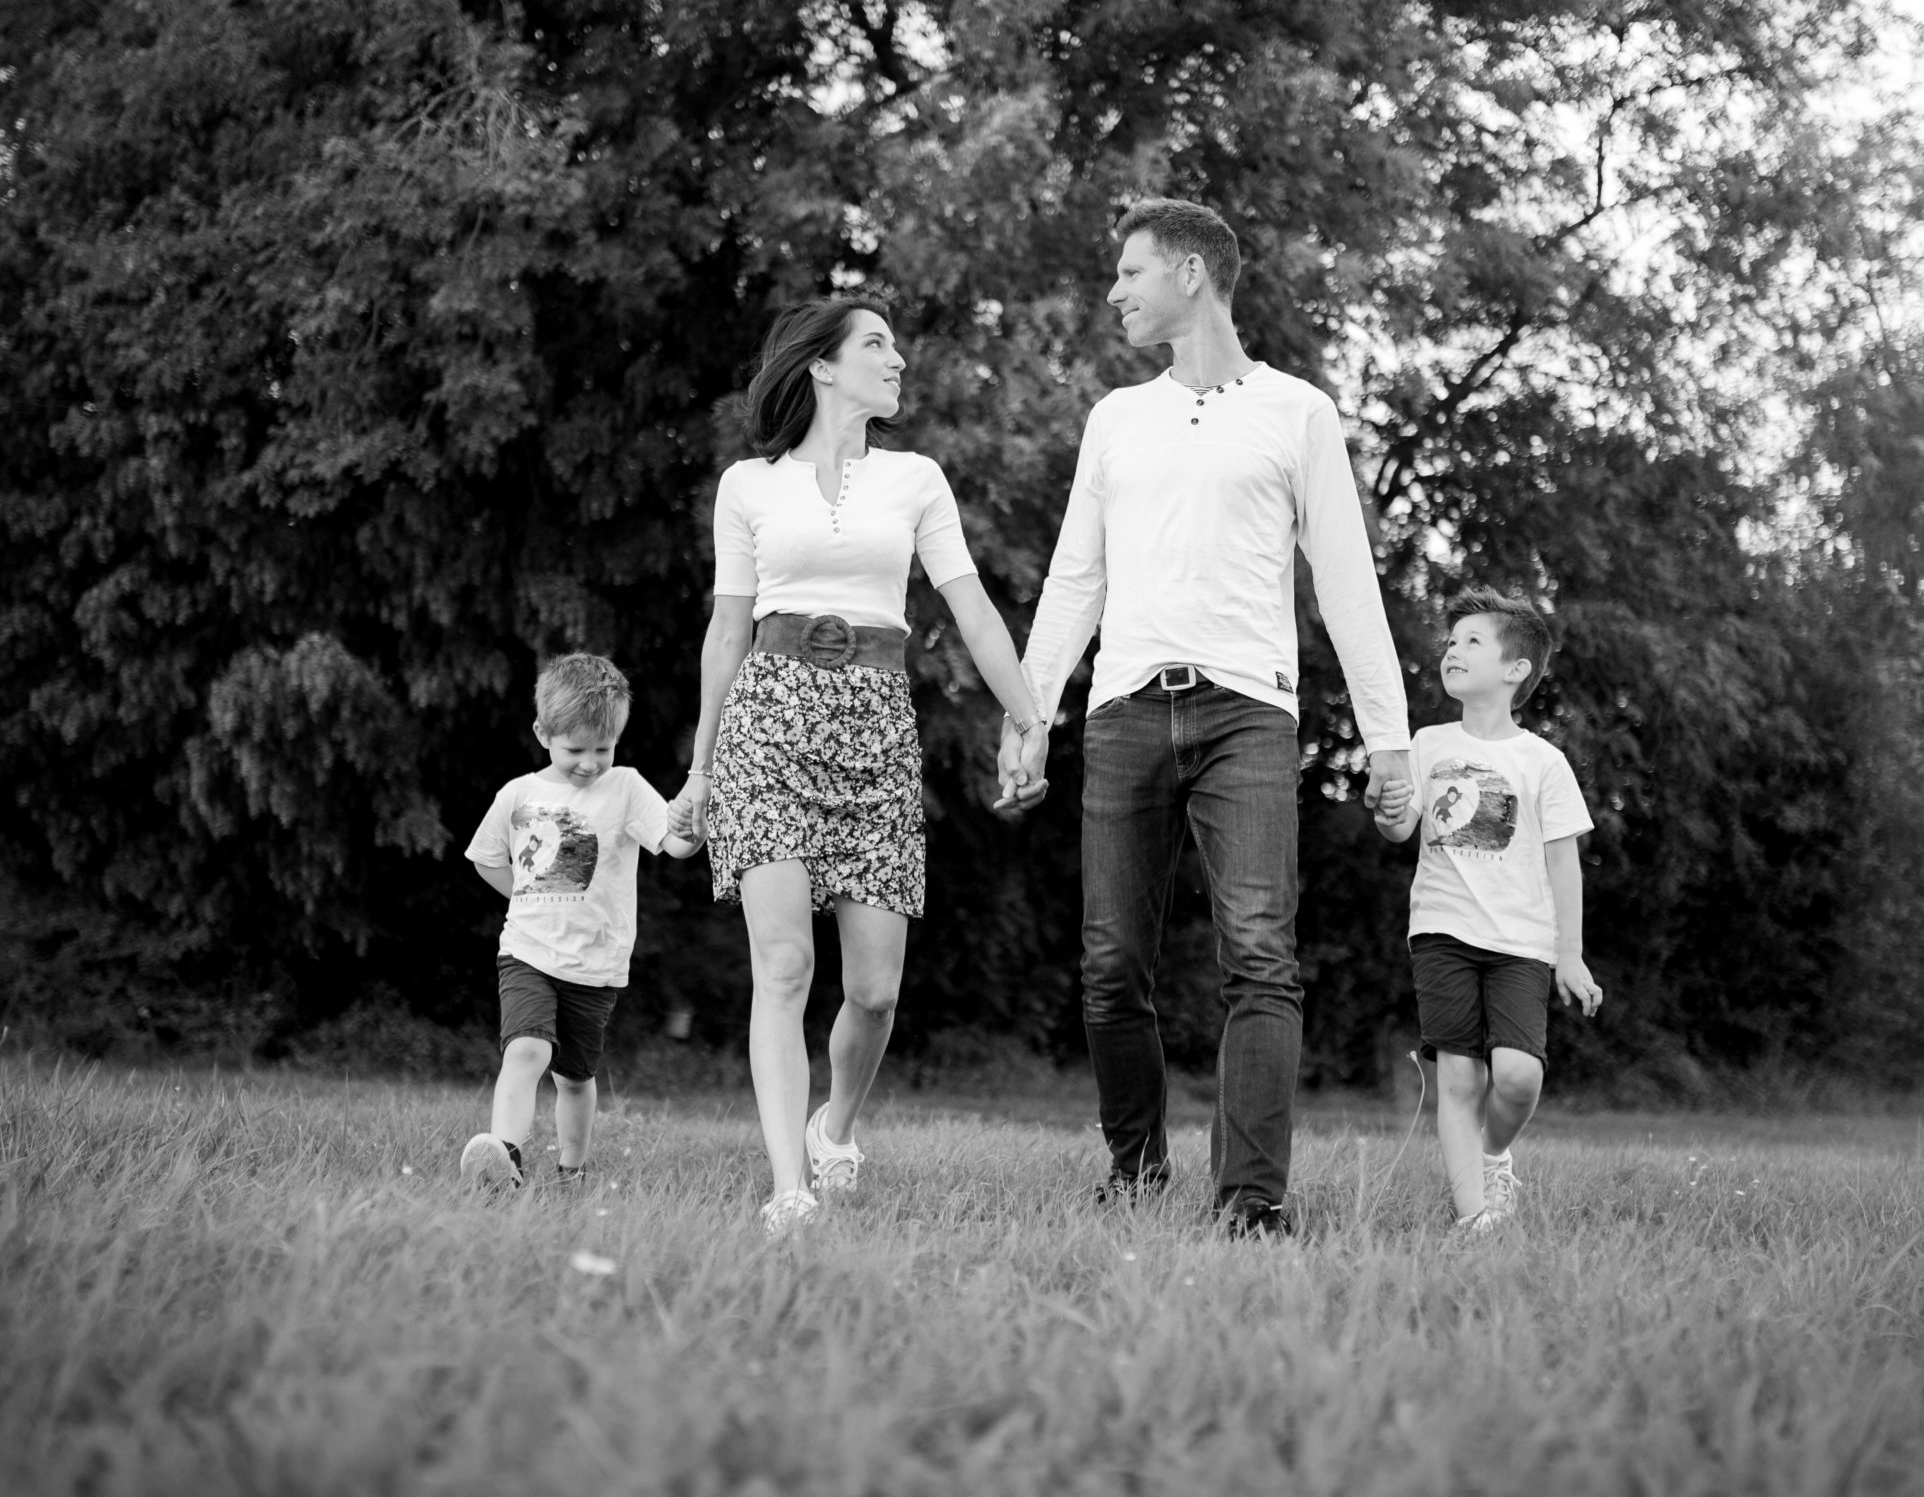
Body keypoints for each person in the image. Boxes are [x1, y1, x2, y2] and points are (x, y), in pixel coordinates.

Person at [1013, 198, 1414, 1237]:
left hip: (1249, 714)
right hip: (1124, 711)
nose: (1115, 292)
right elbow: (1073, 579)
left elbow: (1347, 584)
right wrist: (1030, 712)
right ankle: (1136, 1167)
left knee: (1259, 956)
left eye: (1130, 272)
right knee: (1110, 963)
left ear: (1190, 273)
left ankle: (1250, 1200)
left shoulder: (1298, 414)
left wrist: (1390, 742)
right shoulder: (1116, 418)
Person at [673, 297, 1051, 1236]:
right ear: (823, 366)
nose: (897, 358)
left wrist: (1029, 716)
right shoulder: (747, 486)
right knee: (786, 961)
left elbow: (969, 607)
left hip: (875, 724)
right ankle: (788, 1187)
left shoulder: (916, 479)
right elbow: (726, 631)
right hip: (769, 715)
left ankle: (834, 1129)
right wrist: (701, 768)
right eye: (875, 344)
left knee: (875, 990)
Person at [1371, 590, 1601, 1233]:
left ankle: (1494, 1152)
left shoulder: (1543, 762)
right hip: (1441, 932)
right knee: (1459, 1079)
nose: (1453, 650)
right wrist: (1391, 815)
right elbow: (1402, 829)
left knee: (1520, 1077)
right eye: (1451, 642)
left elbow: (1563, 862)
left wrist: (1570, 954)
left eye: (1472, 641)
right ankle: (1474, 1220)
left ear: (1516, 668)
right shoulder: (1426, 743)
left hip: (1521, 943)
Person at [460, 653, 703, 1190]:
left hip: (596, 964)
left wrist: (693, 825)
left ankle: (571, 1169)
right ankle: (505, 1160)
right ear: (543, 733)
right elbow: (485, 857)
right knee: (526, 1050)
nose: (591, 763)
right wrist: (523, 897)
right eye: (576, 749)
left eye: (603, 748)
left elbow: (675, 844)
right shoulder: (518, 795)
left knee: (574, 1077)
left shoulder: (627, 788)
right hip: (526, 952)